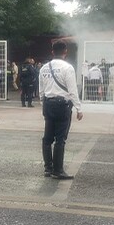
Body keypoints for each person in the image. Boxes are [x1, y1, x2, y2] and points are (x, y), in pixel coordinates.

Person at [38, 41, 83, 179]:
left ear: (52, 52)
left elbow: (41, 90)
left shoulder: (44, 68)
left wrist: (43, 104)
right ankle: (58, 171)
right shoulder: (67, 67)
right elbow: (72, 90)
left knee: (47, 138)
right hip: (62, 106)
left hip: (48, 103)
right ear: (65, 52)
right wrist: (78, 108)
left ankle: (48, 168)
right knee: (60, 139)